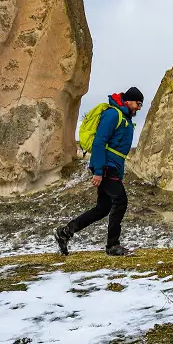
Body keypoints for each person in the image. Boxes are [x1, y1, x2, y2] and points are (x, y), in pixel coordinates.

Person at [54, 87, 143, 256]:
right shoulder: (113, 115)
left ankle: (64, 233)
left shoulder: (124, 118)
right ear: (129, 100)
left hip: (113, 167)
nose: (139, 108)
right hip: (107, 166)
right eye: (138, 104)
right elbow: (99, 142)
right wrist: (98, 170)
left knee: (102, 208)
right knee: (120, 201)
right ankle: (112, 246)